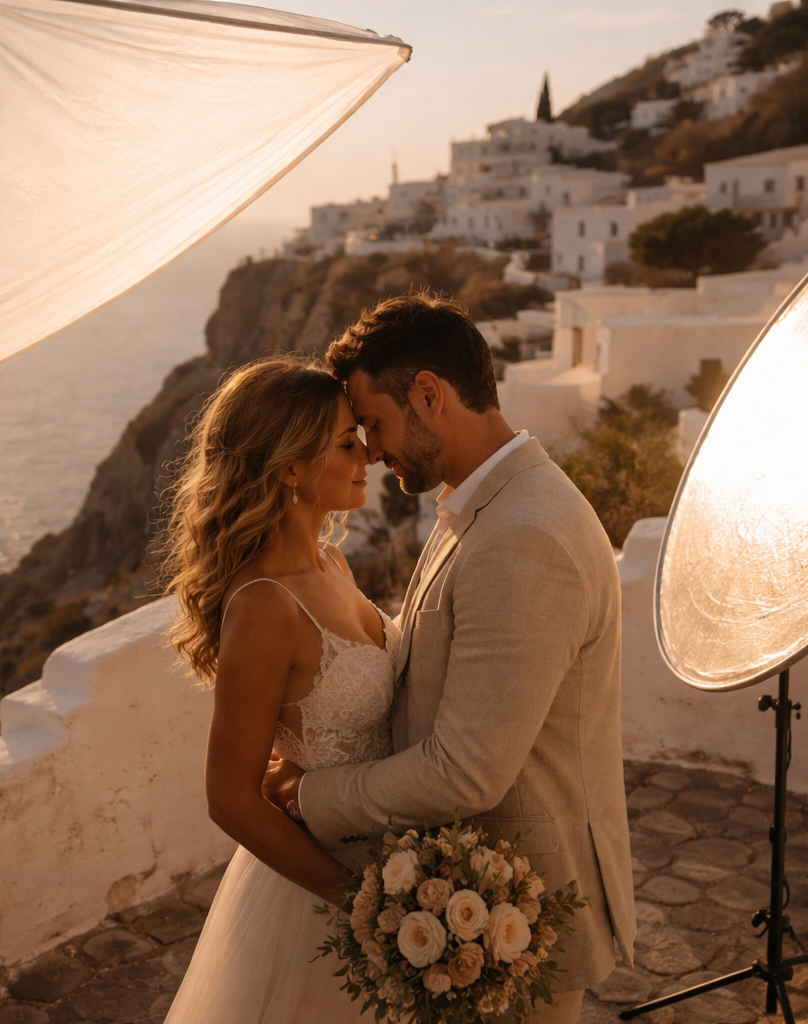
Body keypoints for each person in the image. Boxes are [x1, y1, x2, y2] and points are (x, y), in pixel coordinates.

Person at [263, 293, 637, 1024]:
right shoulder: (481, 503)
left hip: (518, 919)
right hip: (475, 902)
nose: (369, 448)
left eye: (374, 422)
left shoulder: (523, 534)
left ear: (430, 395)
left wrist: (307, 796)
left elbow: (466, 771)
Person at [161, 356, 396, 1024]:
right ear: (291, 466)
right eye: (347, 443)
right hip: (320, 897)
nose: (368, 455)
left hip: (394, 855)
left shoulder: (332, 561)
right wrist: (359, 900)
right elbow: (230, 797)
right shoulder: (264, 606)